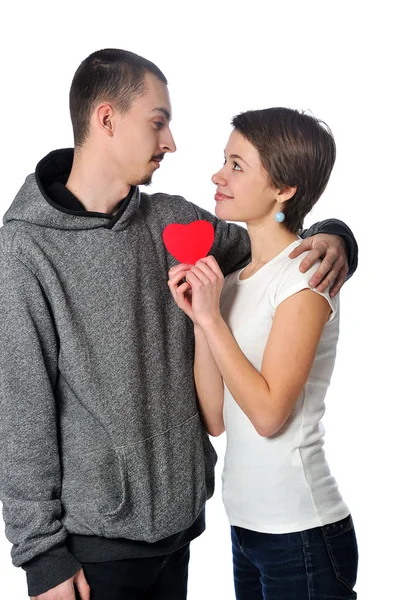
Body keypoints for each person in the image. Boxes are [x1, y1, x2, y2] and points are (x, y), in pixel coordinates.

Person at [0, 49, 357, 600]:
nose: (171, 142)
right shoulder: (25, 249)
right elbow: (20, 408)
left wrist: (338, 236)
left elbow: (275, 242)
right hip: (93, 551)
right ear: (106, 119)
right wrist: (40, 553)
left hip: (182, 534)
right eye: (158, 122)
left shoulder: (174, 220)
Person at [168, 107, 358, 599]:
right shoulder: (231, 283)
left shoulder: (306, 278)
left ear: (284, 189)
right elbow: (215, 417)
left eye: (236, 165)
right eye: (223, 161)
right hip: (247, 528)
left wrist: (212, 321)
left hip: (303, 532)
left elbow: (270, 415)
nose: (218, 175)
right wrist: (201, 318)